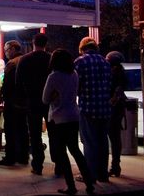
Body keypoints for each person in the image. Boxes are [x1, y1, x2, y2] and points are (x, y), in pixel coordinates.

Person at [43, 48, 95, 196]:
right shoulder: (74, 74)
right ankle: (89, 184)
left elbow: (45, 99)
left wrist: (54, 96)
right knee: (76, 151)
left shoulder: (53, 77)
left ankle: (71, 186)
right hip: (73, 115)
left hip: (58, 118)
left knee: (62, 154)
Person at [74, 37, 112, 183]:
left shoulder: (80, 62)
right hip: (105, 107)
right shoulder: (105, 62)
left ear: (82, 48)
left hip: (88, 106)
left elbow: (76, 85)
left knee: (89, 142)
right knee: (103, 141)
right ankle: (103, 173)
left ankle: (90, 174)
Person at [16, 33, 53, 175]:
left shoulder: (25, 59)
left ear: (33, 43)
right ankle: (58, 162)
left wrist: (22, 99)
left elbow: (18, 82)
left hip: (32, 101)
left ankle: (37, 164)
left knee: (35, 134)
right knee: (53, 133)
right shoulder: (51, 59)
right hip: (49, 101)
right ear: (46, 44)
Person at [0, 40, 29, 167]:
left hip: (13, 102)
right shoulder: (26, 60)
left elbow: (7, 85)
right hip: (24, 102)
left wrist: (3, 94)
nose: (6, 52)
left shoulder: (12, 63)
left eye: (7, 49)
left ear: (14, 48)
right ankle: (23, 156)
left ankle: (10, 157)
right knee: (23, 129)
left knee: (10, 130)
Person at [105, 50, 128, 178]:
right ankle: (116, 165)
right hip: (118, 108)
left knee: (109, 137)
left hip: (111, 108)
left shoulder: (112, 74)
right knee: (115, 138)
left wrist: (111, 101)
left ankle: (113, 166)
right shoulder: (122, 73)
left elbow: (117, 90)